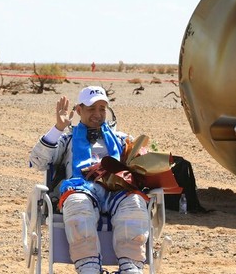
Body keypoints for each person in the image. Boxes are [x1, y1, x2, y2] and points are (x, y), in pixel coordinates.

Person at [29, 86, 150, 274]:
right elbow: (37, 161)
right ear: (79, 110)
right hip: (82, 188)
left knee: (135, 202)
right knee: (77, 203)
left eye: (102, 109)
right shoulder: (67, 139)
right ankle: (89, 267)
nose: (98, 114)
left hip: (117, 190)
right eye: (91, 108)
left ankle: (131, 267)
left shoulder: (121, 139)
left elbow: (144, 164)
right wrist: (58, 128)